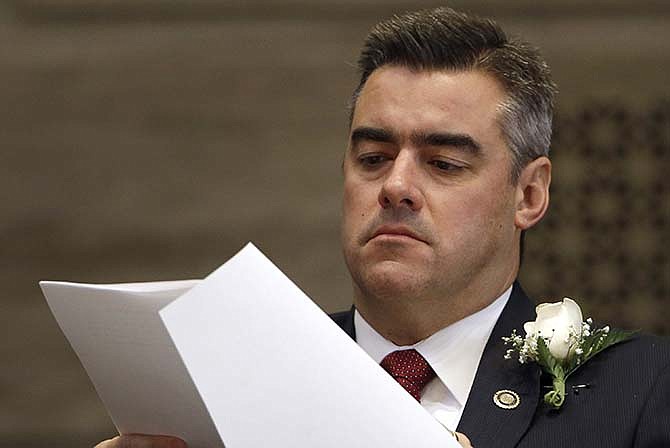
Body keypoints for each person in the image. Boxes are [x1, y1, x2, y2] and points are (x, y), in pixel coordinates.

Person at [96, 7, 670, 448]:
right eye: (372, 157)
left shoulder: (641, 391)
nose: (395, 185)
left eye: (443, 163)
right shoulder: (233, 379)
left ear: (529, 193)